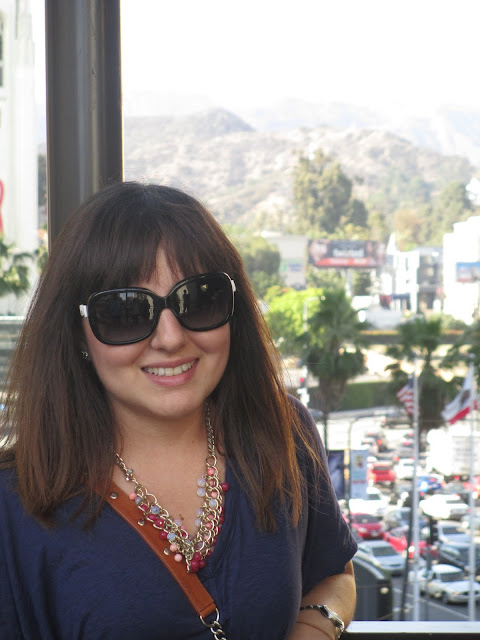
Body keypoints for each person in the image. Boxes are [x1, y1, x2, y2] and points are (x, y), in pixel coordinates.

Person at [0, 182, 357, 639]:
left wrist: (313, 629)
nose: (170, 338)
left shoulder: (282, 430)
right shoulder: (17, 501)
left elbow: (334, 573)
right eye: (127, 311)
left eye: (199, 299)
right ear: (77, 333)